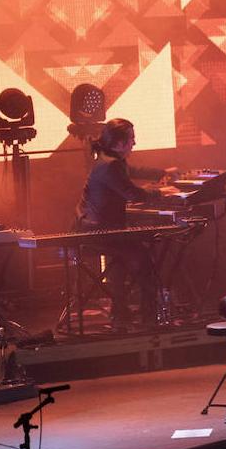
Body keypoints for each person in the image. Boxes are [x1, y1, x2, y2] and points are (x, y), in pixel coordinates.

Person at [75, 119, 164, 331]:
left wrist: (161, 173)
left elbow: (132, 171)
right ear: (118, 144)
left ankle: (121, 313)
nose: (134, 143)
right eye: (131, 139)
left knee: (123, 260)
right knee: (145, 261)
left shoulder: (109, 160)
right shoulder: (110, 165)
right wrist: (160, 192)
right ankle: (149, 319)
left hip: (97, 229)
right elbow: (132, 194)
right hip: (100, 232)